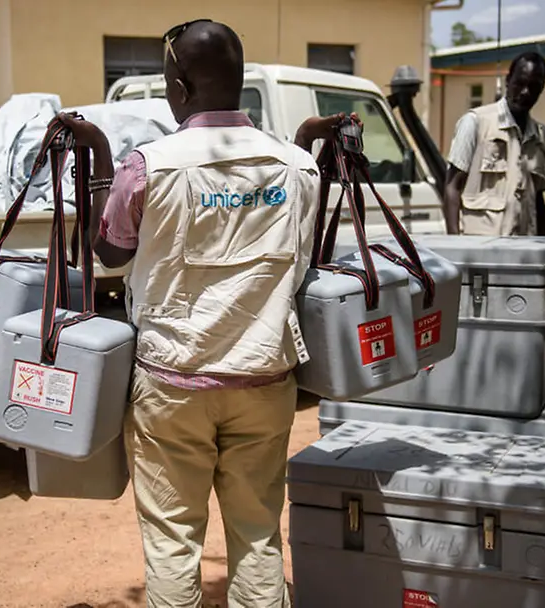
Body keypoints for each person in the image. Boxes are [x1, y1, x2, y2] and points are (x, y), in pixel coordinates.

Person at [58, 19, 351, 607]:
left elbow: (108, 254)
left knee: (172, 543)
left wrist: (95, 155)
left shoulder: (148, 165)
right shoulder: (297, 165)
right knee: (259, 537)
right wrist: (303, 138)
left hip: (173, 384)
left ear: (180, 87)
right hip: (265, 379)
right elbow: (295, 246)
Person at [443, 51, 545, 236]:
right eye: (519, 83)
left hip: (524, 253)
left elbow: (538, 200)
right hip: (479, 249)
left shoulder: (542, 137)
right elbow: (452, 187)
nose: (525, 92)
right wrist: (455, 246)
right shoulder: (476, 122)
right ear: (508, 80)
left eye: (533, 86)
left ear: (542, 88)